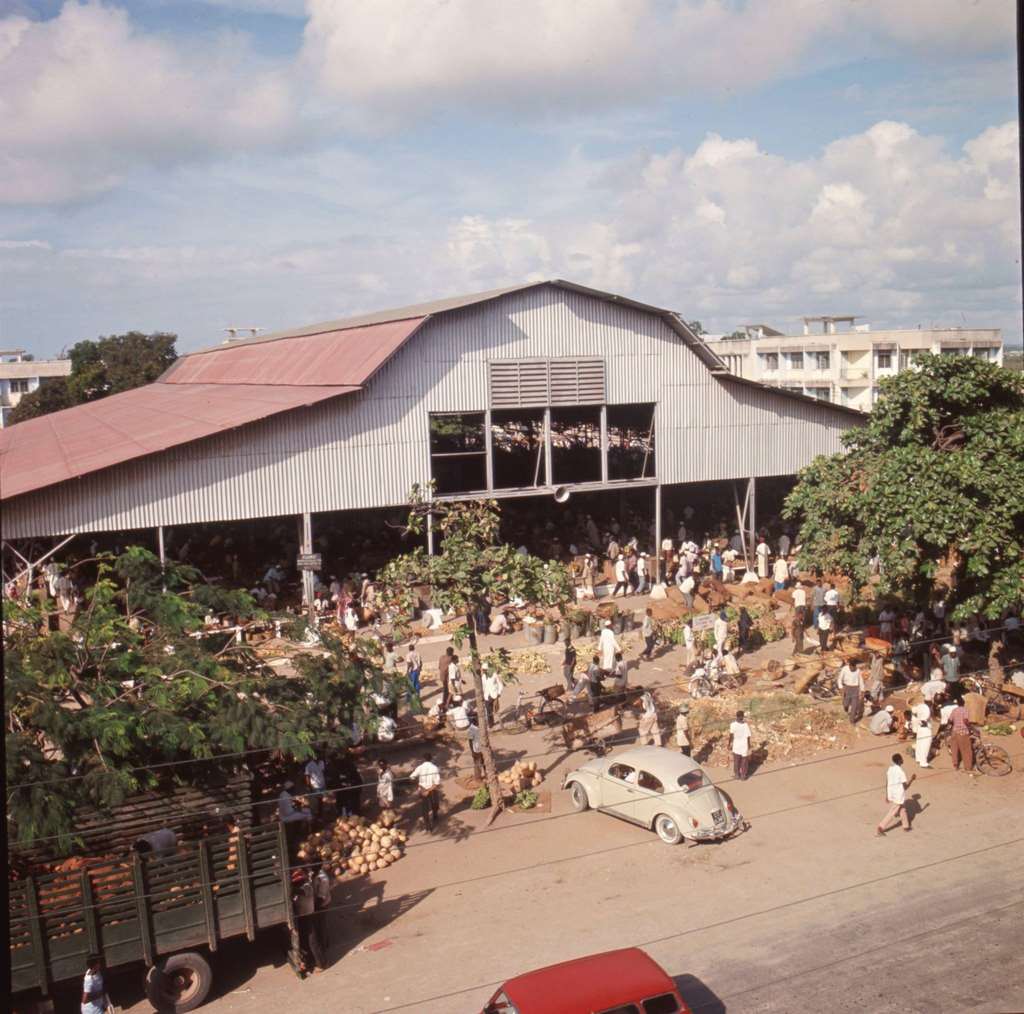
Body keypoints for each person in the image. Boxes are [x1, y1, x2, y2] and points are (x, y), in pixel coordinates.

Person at [876, 753, 915, 836]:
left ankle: (906, 826)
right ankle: (881, 827)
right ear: (900, 761)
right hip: (898, 795)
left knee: (902, 809)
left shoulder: (890, 769)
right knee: (893, 812)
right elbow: (905, 787)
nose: (903, 760)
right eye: (902, 758)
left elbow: (887, 782)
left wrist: (887, 795)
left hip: (892, 793)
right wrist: (912, 779)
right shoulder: (901, 772)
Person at [410, 752, 442, 831]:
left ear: (423, 759)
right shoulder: (435, 768)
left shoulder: (419, 767)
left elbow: (411, 777)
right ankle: (435, 815)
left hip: (422, 790)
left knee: (425, 808)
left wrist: (420, 787)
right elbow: (437, 783)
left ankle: (428, 826)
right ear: (431, 759)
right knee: (435, 804)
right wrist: (428, 790)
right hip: (432, 790)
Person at [948, 698, 974, 773]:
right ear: (964, 703)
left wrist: (953, 725)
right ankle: (968, 767)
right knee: (966, 750)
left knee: (954, 749)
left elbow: (949, 720)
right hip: (963, 732)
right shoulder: (965, 710)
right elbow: (965, 720)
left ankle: (955, 765)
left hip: (954, 732)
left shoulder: (954, 710)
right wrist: (971, 727)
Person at [730, 710, 752, 780]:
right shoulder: (745, 725)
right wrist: (749, 744)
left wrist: (729, 743)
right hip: (744, 745)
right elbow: (748, 736)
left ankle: (737, 775)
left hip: (736, 745)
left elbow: (731, 735)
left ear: (736, 716)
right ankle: (743, 776)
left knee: (736, 760)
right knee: (744, 761)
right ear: (742, 717)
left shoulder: (732, 724)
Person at [304, 755, 327, 821]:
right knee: (317, 800)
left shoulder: (321, 762)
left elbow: (323, 772)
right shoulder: (309, 765)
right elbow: (307, 776)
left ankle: (320, 814)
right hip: (315, 785)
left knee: (321, 799)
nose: (317, 757)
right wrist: (309, 786)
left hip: (322, 784)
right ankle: (318, 815)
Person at [912, 702, 933, 768]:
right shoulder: (924, 713)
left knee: (919, 744)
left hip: (920, 729)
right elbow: (924, 721)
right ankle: (923, 762)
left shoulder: (917, 712)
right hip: (925, 730)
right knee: (925, 745)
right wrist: (926, 722)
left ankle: (918, 758)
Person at [438, 646, 455, 718]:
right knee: (448, 691)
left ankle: (449, 702)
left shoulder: (441, 657)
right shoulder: (450, 659)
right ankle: (446, 704)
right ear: (451, 653)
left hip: (442, 676)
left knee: (446, 690)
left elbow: (439, 667)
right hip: (447, 677)